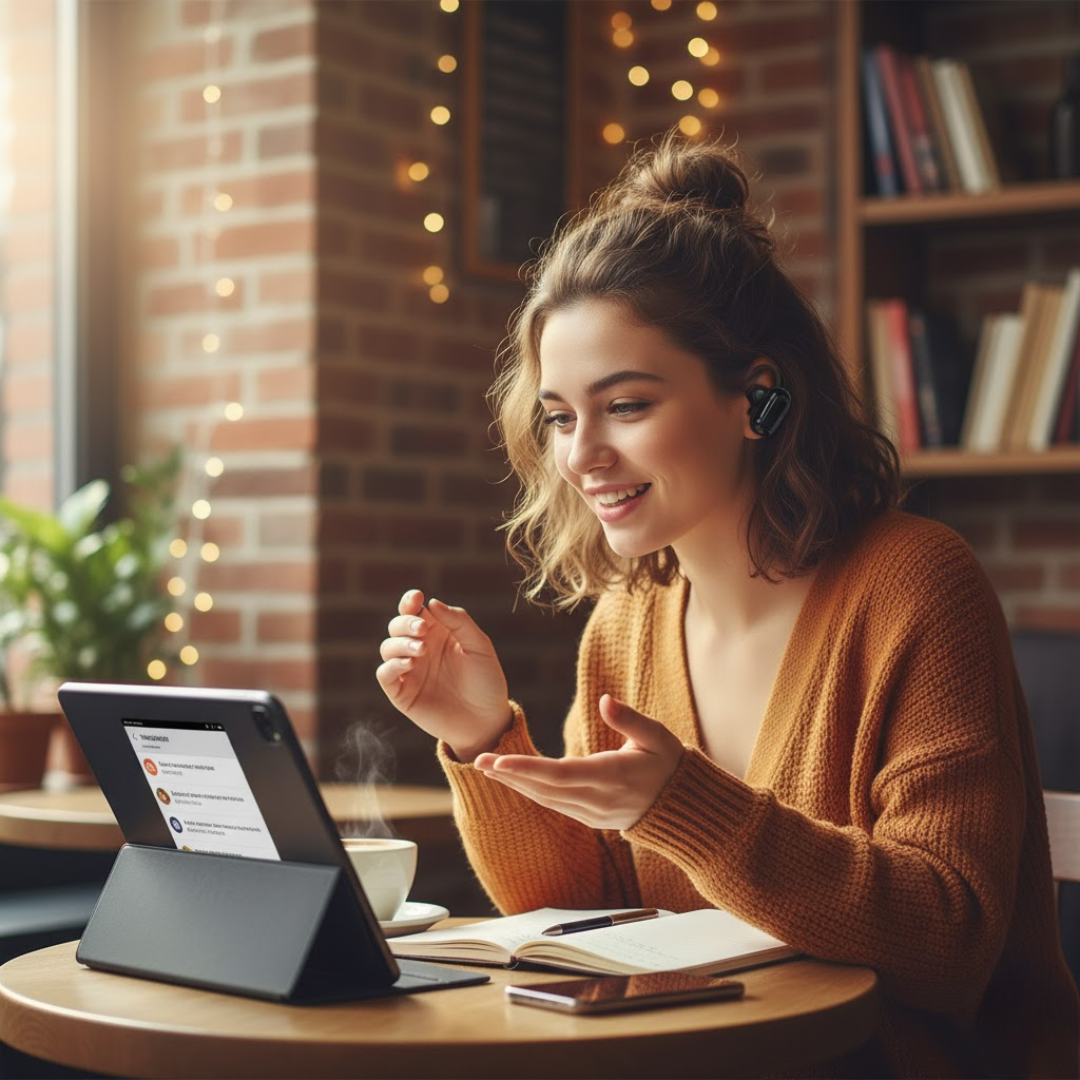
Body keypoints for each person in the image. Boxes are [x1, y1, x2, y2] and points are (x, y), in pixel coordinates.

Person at [376, 132, 1079, 1077]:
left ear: (758, 397)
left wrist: (689, 807)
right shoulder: (623, 628)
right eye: (559, 416)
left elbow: (948, 939)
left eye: (625, 406)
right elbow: (587, 908)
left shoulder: (917, 585)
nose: (580, 455)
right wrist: (484, 736)